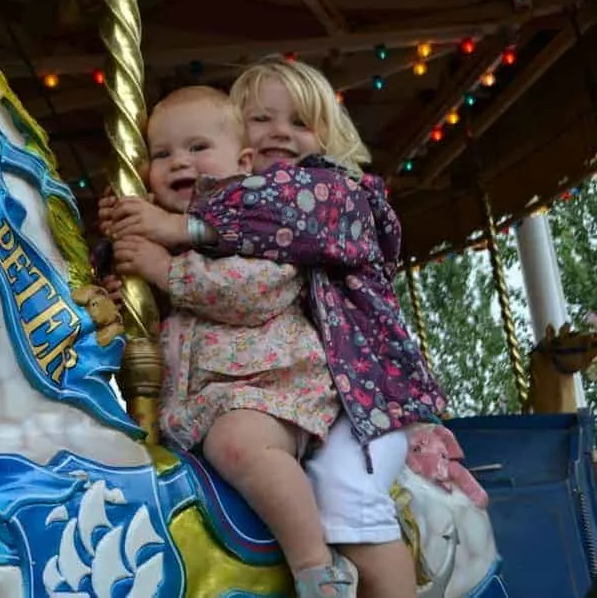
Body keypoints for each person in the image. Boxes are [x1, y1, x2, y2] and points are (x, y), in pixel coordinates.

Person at [103, 56, 447, 598]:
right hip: (216, 399)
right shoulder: (232, 207)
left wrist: (167, 250)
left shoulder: (331, 196)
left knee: (346, 495)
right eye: (261, 119)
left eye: (299, 122)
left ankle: (333, 580)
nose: (279, 133)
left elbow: (268, 243)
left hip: (355, 398)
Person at [110, 85, 358, 597]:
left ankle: (320, 571)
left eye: (198, 148)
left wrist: (163, 271)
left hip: (271, 392)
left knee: (238, 445)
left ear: (243, 161)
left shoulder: (257, 221)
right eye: (162, 154)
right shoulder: (164, 233)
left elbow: (256, 293)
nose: (180, 161)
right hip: (199, 404)